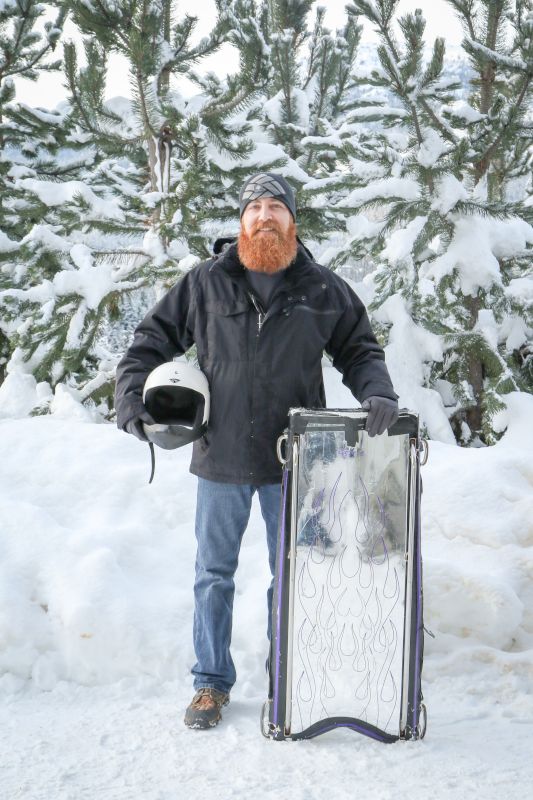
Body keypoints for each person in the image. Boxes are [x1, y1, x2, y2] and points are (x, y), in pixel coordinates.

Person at [114, 172, 399, 730]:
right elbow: (150, 343)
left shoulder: (322, 289)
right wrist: (130, 401)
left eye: (276, 207)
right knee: (213, 574)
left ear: (292, 220)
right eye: (255, 208)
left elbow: (360, 350)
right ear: (241, 221)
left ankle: (286, 678)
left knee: (293, 574)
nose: (265, 216)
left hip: (297, 460)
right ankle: (210, 683)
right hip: (219, 456)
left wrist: (378, 392)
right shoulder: (205, 284)